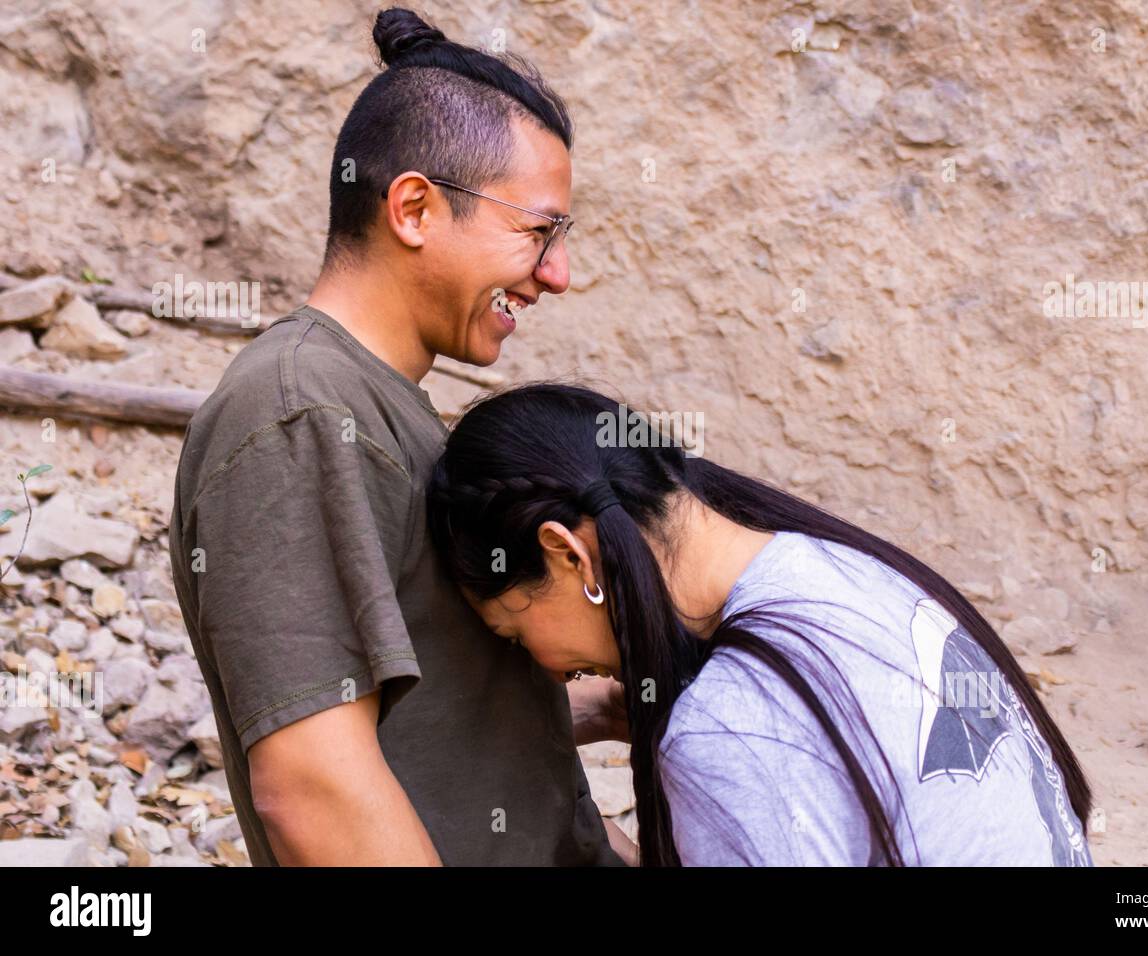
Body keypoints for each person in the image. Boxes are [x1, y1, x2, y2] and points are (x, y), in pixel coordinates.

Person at [169, 9, 626, 865]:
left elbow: (414, 715)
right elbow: (313, 786)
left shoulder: (377, 405)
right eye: (538, 231)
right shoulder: (298, 411)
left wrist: (595, 710)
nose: (557, 274)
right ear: (414, 207)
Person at [428, 383, 1098, 866]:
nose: (543, 665)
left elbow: (757, 758)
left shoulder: (727, 728)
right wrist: (606, 707)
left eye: (516, 635)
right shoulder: (837, 565)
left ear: (568, 555)